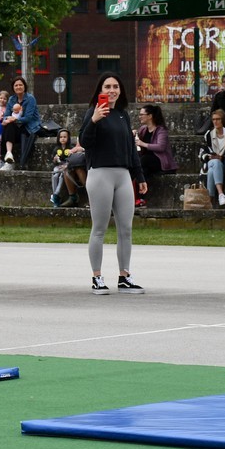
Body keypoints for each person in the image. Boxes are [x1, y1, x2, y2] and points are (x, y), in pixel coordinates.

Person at [80, 72, 146, 295]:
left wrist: (140, 176)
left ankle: (124, 276)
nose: (112, 90)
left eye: (115, 86)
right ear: (100, 90)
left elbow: (130, 149)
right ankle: (97, 277)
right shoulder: (93, 113)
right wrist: (94, 120)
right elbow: (84, 142)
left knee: (126, 229)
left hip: (123, 175)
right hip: (100, 174)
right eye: (107, 86)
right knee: (99, 229)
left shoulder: (122, 116)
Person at [133, 104, 177, 207]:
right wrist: (133, 132)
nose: (140, 117)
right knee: (142, 170)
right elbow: (136, 135)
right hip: (147, 163)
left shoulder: (161, 130)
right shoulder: (143, 129)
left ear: (150, 116)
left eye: (142, 114)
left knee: (142, 161)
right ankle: (140, 199)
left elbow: (161, 147)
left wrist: (142, 144)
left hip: (161, 162)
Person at [2, 77, 40, 170]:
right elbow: (6, 115)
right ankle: (9, 155)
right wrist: (7, 119)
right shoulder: (11, 99)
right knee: (7, 127)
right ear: (13, 88)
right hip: (16, 126)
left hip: (29, 127)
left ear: (24, 86)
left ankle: (9, 161)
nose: (18, 87)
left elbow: (28, 118)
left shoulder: (30, 98)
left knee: (9, 125)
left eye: (20, 85)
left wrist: (13, 120)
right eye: (16, 85)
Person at [199, 109, 225, 207]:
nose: (215, 122)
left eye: (218, 119)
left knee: (212, 170)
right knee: (215, 163)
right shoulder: (208, 134)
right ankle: (221, 194)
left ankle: (210, 199)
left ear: (223, 120)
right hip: (210, 162)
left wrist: (222, 157)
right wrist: (210, 157)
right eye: (213, 119)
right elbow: (201, 153)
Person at [50, 128, 75, 207]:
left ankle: (56, 194)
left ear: (68, 138)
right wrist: (55, 159)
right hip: (58, 166)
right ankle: (55, 195)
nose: (63, 139)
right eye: (61, 137)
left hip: (66, 166)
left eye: (65, 137)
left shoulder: (71, 148)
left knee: (62, 176)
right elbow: (53, 161)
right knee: (55, 175)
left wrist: (66, 165)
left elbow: (73, 159)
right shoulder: (56, 149)